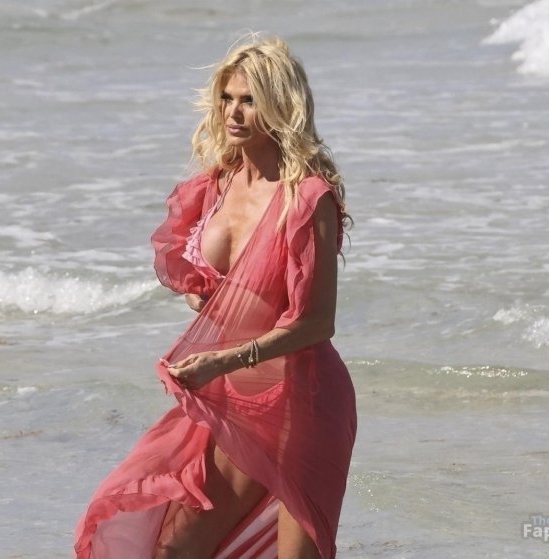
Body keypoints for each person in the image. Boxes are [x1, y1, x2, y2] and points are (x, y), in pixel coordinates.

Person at [75, 36, 357, 559]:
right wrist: (206, 300)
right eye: (227, 98)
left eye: (249, 100)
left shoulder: (307, 196)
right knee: (175, 550)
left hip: (303, 397)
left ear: (279, 105)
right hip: (232, 398)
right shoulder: (218, 185)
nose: (233, 112)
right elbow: (210, 283)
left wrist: (222, 358)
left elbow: (318, 322)